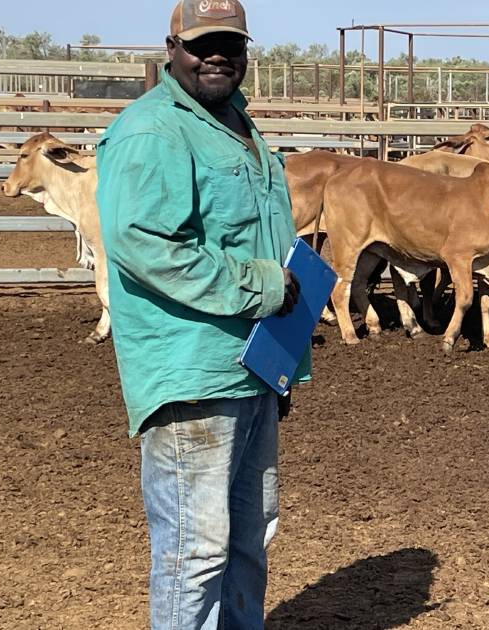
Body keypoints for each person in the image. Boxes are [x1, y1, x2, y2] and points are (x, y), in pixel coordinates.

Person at [96, 1, 305, 627]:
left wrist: (282, 354)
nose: (218, 55)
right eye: (202, 44)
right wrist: (261, 288)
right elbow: (146, 244)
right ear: (171, 49)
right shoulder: (153, 131)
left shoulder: (236, 124)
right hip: (193, 374)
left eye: (231, 45)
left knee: (249, 539)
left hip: (252, 367)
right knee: (196, 551)